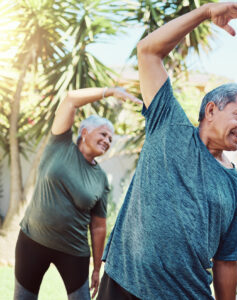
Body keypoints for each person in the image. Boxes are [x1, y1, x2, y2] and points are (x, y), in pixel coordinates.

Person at [98, 2, 237, 300]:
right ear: (211, 110)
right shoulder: (168, 125)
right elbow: (148, 51)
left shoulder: (236, 188)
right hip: (123, 285)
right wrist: (205, 12)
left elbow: (226, 261)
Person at [14, 86, 142, 300]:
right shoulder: (60, 145)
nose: (107, 141)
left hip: (73, 252)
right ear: (84, 132)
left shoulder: (100, 178)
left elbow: (99, 226)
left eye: (110, 139)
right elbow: (71, 99)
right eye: (103, 134)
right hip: (32, 241)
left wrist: (96, 268)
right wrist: (110, 92)